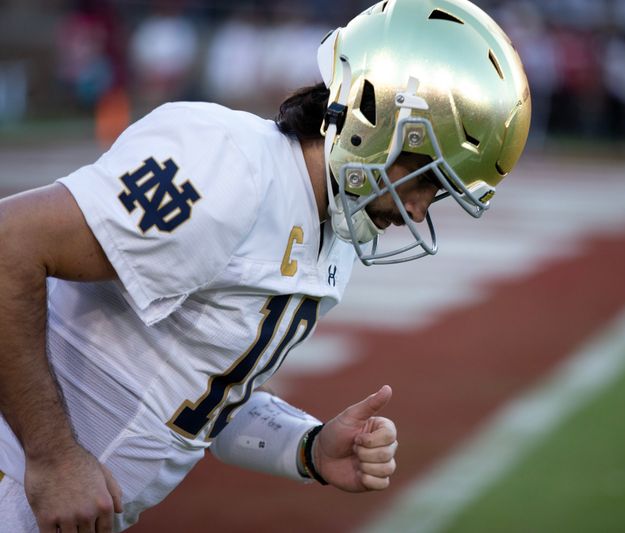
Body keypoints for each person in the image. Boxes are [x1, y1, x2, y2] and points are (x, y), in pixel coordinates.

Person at [0, 0, 531, 530]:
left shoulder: (334, 237)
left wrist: (309, 448)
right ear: (377, 121)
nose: (417, 208)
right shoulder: (228, 168)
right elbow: (9, 245)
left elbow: (206, 398)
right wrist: (51, 456)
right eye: (424, 179)